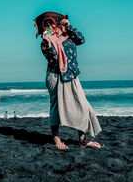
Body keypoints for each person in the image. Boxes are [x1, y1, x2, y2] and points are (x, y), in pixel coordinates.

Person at [34, 12, 102, 150]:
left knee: (83, 107)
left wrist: (69, 27)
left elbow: (81, 39)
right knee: (56, 109)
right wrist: (48, 41)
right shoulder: (45, 43)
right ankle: (57, 140)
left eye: (52, 23)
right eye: (46, 25)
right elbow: (53, 58)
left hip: (72, 76)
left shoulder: (69, 35)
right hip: (55, 76)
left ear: (57, 23)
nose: (50, 26)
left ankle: (82, 140)